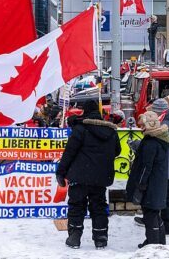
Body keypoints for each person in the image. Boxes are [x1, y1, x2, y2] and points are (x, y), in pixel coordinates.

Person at [56, 100, 121, 250]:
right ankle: (100, 238)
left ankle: (74, 237)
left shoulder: (80, 129)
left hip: (80, 176)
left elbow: (69, 153)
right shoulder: (110, 131)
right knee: (98, 207)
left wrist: (61, 172)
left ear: (84, 111)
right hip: (100, 177)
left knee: (76, 206)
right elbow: (116, 151)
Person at [134, 99, 169, 235]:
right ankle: (156, 221)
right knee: (163, 195)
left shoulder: (167, 124)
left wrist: (139, 145)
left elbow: (158, 146)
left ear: (159, 111)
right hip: (167, 164)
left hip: (166, 166)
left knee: (164, 196)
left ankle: (167, 224)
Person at [126, 111, 169, 248]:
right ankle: (159, 241)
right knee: (154, 213)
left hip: (151, 184)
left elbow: (146, 167)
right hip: (157, 182)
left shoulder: (151, 143)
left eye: (142, 125)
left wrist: (140, 184)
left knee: (150, 214)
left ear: (149, 125)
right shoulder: (158, 140)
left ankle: (153, 244)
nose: (141, 128)